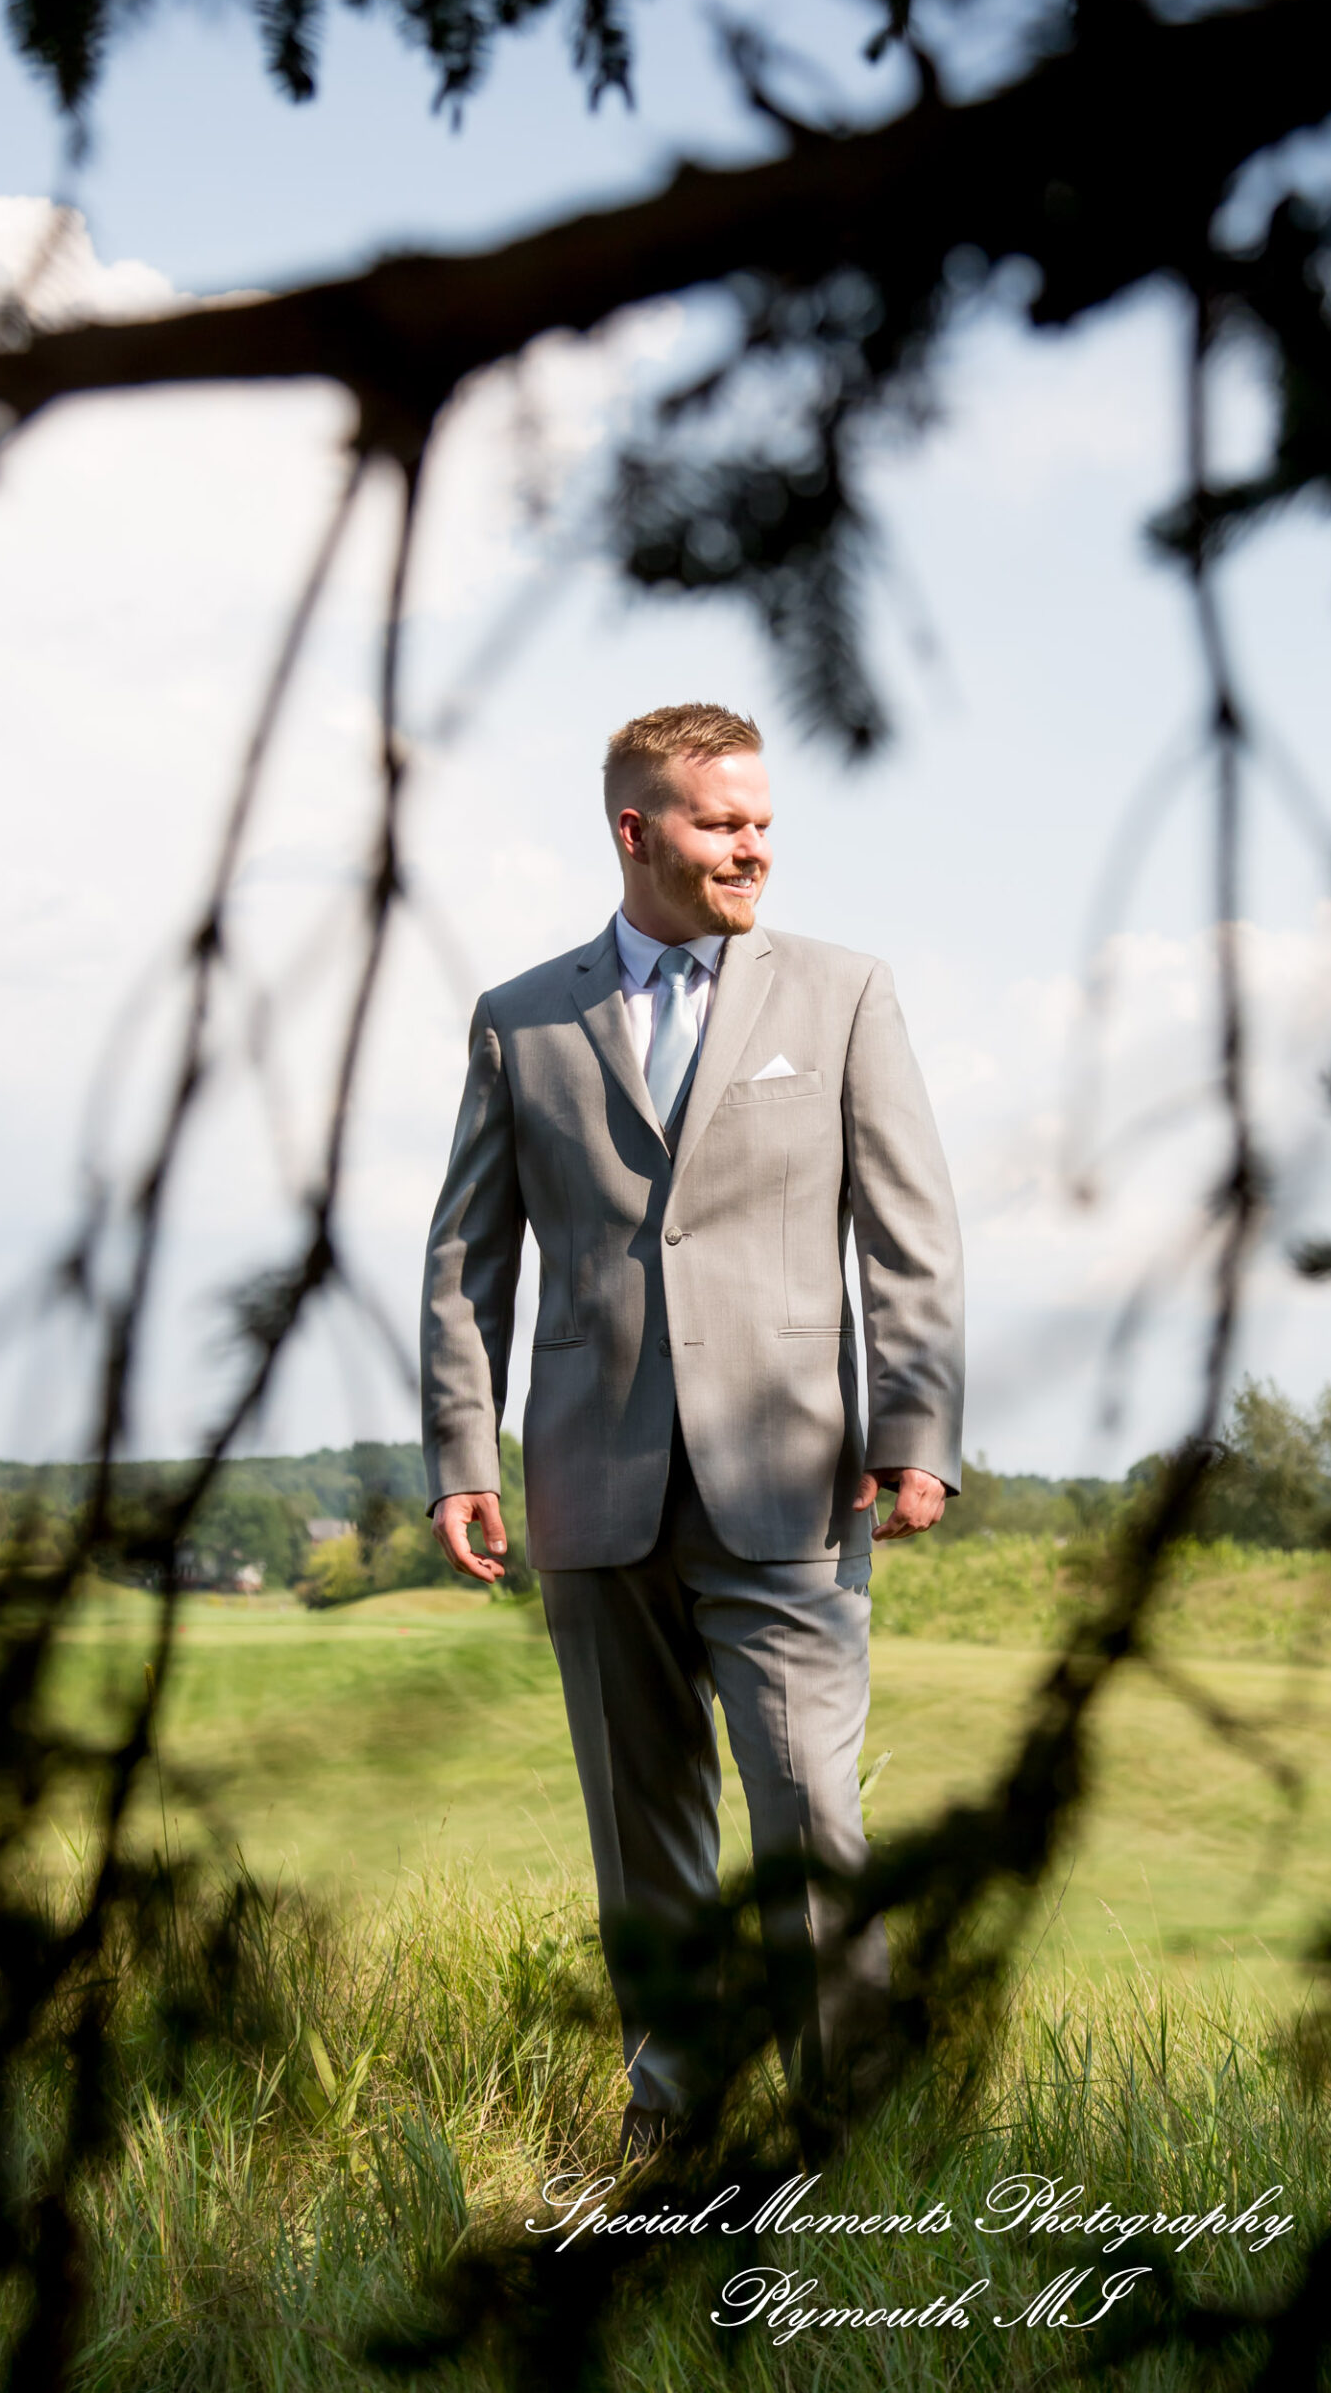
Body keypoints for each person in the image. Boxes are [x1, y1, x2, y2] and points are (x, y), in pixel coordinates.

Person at [420, 703, 963, 2153]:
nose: (754, 847)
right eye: (724, 823)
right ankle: (672, 2132)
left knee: (809, 1828)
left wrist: (915, 1423)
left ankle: (842, 2143)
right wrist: (463, 1456)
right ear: (636, 831)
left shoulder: (844, 994)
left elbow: (908, 1234)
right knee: (643, 1840)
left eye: (764, 823)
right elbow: (468, 1256)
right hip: (591, 1491)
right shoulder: (521, 1019)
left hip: (789, 1486)